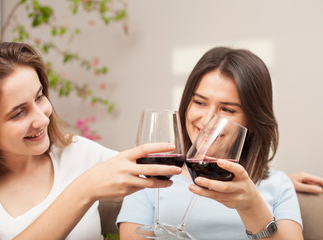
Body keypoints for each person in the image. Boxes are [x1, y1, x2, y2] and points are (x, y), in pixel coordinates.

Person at [0, 42, 183, 240]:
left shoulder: (76, 152)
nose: (43, 119)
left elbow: (168, 181)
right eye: (19, 113)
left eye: (39, 97)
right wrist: (83, 190)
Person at [117, 47, 305, 239]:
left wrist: (251, 207)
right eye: (199, 102)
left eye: (228, 110)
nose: (207, 120)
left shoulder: (279, 185)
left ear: (253, 121)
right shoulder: (148, 178)